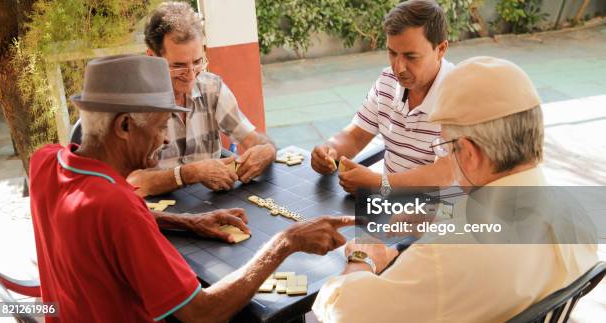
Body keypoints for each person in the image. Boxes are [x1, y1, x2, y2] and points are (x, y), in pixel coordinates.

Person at [29, 55, 354, 322]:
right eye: (159, 127)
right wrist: (286, 241)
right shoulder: (116, 207)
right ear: (124, 126)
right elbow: (202, 312)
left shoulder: (44, 162)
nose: (166, 139)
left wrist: (187, 221)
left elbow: (100, 227)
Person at [311, 56, 598, 322]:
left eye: (447, 146)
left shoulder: (441, 257)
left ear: (470, 154)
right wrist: (444, 214)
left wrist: (363, 259)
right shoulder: (577, 216)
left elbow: (343, 313)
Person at [127, 1, 276, 197]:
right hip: (158, 215)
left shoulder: (211, 88)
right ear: (152, 58)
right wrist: (191, 173)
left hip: (210, 207)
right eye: (178, 66)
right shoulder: (133, 105)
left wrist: (267, 150)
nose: (191, 75)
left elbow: (254, 139)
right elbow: (130, 183)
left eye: (197, 62)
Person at [311, 0, 455, 195]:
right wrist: (330, 151)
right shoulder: (388, 80)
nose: (398, 67)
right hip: (391, 205)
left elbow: (444, 175)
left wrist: (381, 184)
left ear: (441, 49)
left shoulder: (459, 95)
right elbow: (355, 136)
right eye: (392, 53)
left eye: (411, 57)